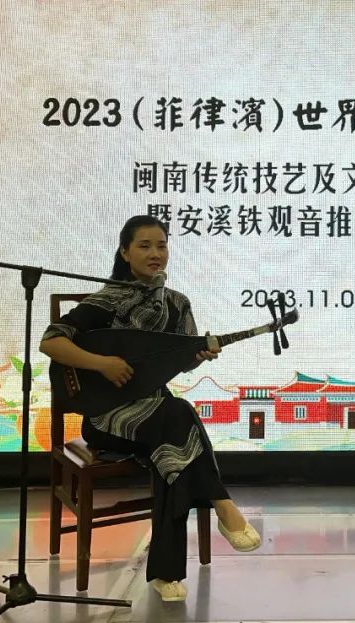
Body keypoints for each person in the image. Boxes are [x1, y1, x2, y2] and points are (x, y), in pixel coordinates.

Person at [39, 215, 260, 602]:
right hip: (106, 418)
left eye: (161, 245)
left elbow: (180, 362)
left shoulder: (177, 304)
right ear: (125, 252)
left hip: (155, 413)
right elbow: (51, 342)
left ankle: (166, 574)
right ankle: (223, 505)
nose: (155, 253)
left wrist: (198, 356)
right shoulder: (106, 301)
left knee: (171, 445)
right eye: (144, 246)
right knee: (179, 417)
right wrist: (102, 364)